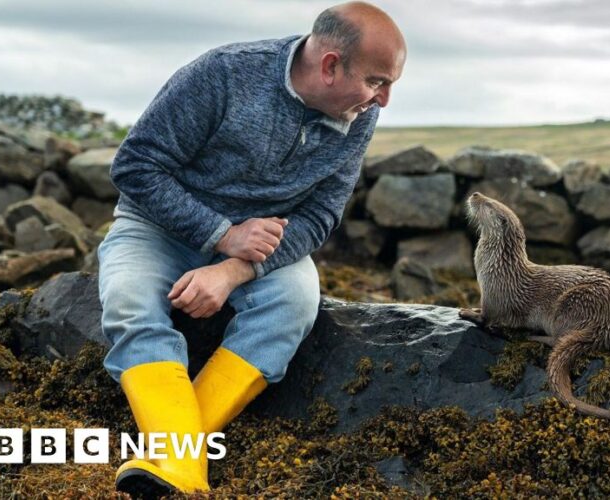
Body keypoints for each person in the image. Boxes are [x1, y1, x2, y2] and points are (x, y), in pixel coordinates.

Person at [96, 2, 406, 495]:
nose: (383, 100)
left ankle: (174, 459)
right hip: (154, 228)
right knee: (130, 301)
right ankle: (184, 462)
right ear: (330, 66)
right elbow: (135, 167)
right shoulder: (222, 74)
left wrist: (234, 268)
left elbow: (321, 216)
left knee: (296, 302)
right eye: (376, 81)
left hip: (260, 249)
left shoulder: (357, 113)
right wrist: (221, 234)